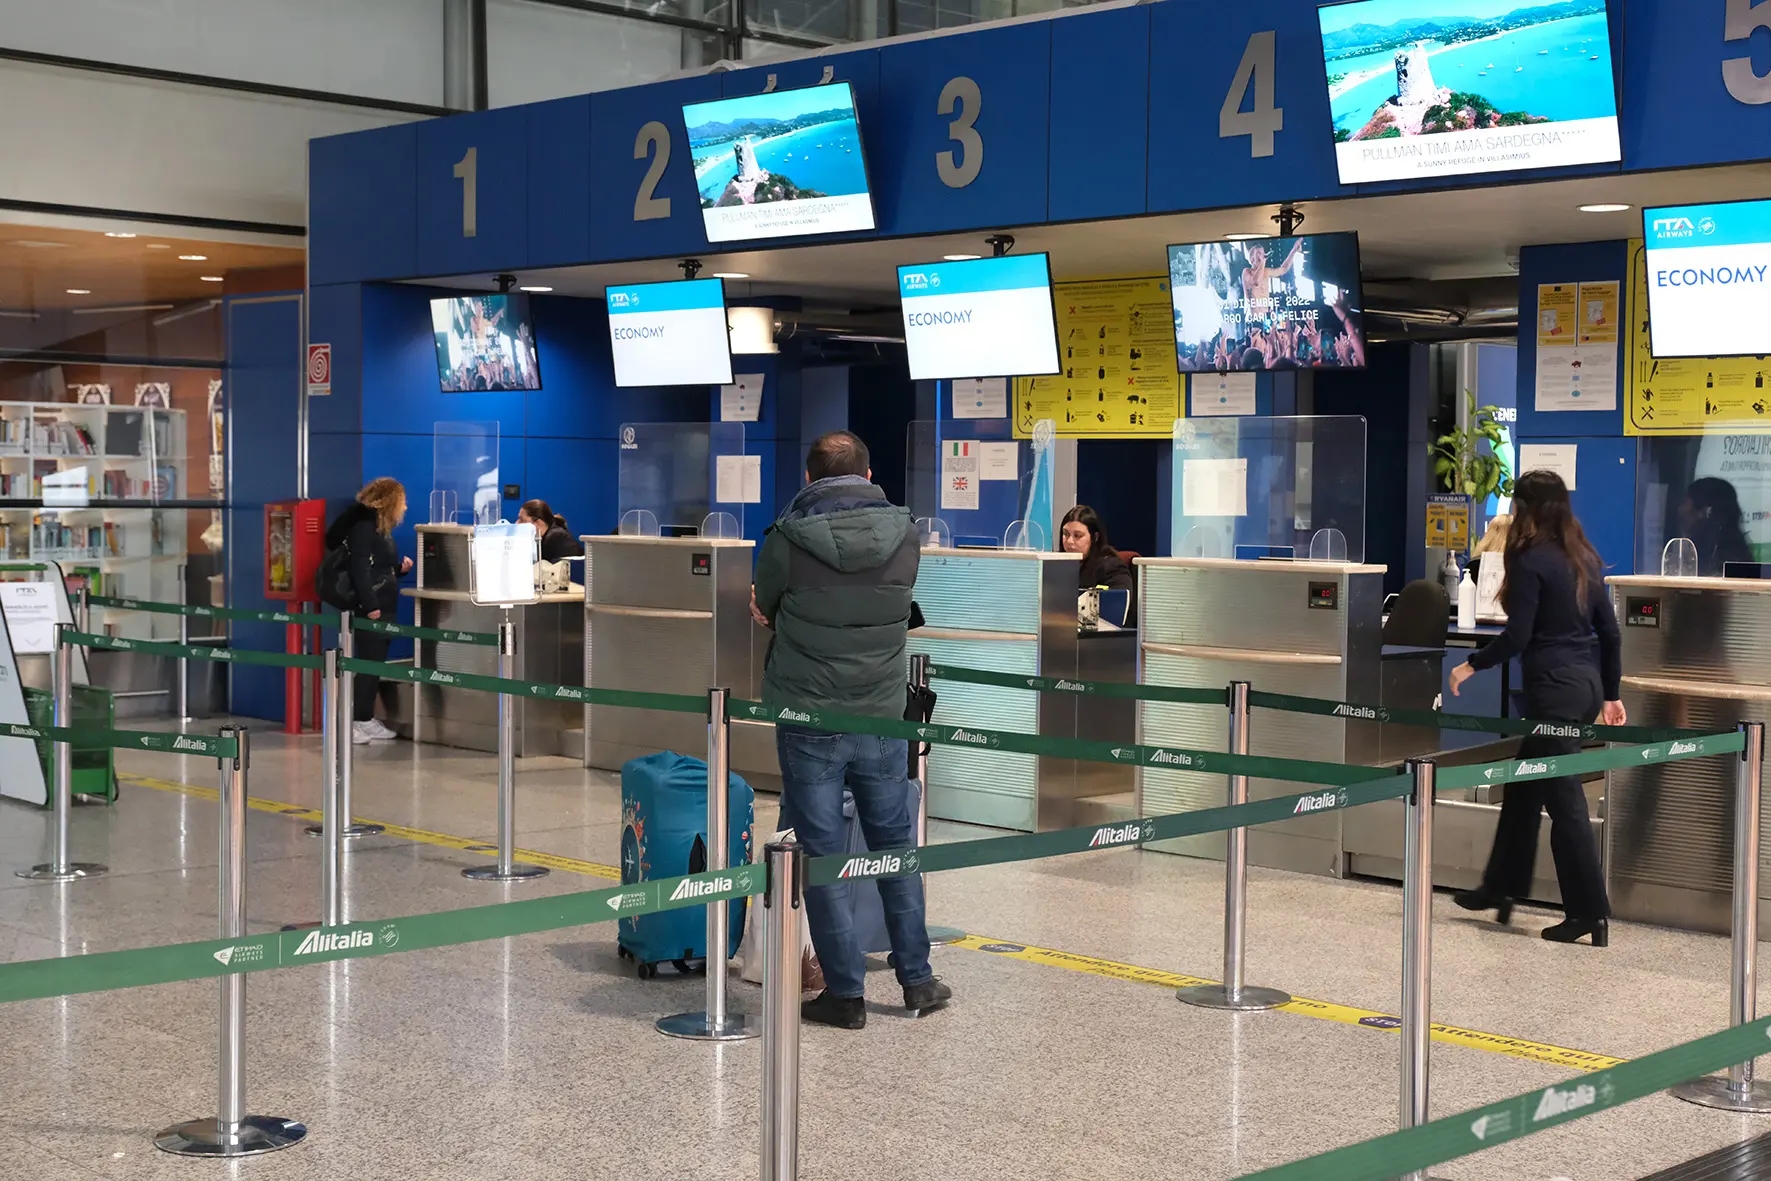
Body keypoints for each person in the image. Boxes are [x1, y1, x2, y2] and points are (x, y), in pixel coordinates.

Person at [751, 430, 951, 1029]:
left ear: (809, 479)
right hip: (883, 715)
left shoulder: (788, 538)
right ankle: (916, 978)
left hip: (811, 716)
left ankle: (846, 994)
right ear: (869, 475)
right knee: (895, 846)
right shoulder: (907, 534)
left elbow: (766, 605)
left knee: (822, 854)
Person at [1448, 471, 1623, 946]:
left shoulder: (1529, 557)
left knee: (1564, 800)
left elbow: (1518, 636)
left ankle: (1589, 911)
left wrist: (1471, 665)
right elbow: (1609, 632)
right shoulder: (1582, 556)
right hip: (1584, 686)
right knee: (1525, 784)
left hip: (1553, 690)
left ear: (1526, 508)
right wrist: (1611, 694)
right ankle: (1499, 887)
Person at [325, 477, 413, 745]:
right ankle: (358, 721)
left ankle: (364, 718)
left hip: (382, 603)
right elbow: (360, 570)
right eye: (402, 501)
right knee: (368, 663)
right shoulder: (364, 527)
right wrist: (370, 605)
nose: (406, 507)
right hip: (373, 608)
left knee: (374, 663)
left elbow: (376, 568)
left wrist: (398, 570)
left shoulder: (378, 528)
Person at [1058, 505, 1135, 622]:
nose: (1069, 541)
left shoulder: (1112, 568)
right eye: (1066, 534)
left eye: (1077, 536)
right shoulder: (1054, 565)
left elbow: (1114, 610)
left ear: (1095, 537)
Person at [517, 499, 583, 562]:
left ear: (538, 523)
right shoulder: (540, 540)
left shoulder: (557, 537)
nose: (517, 523)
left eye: (522, 520)